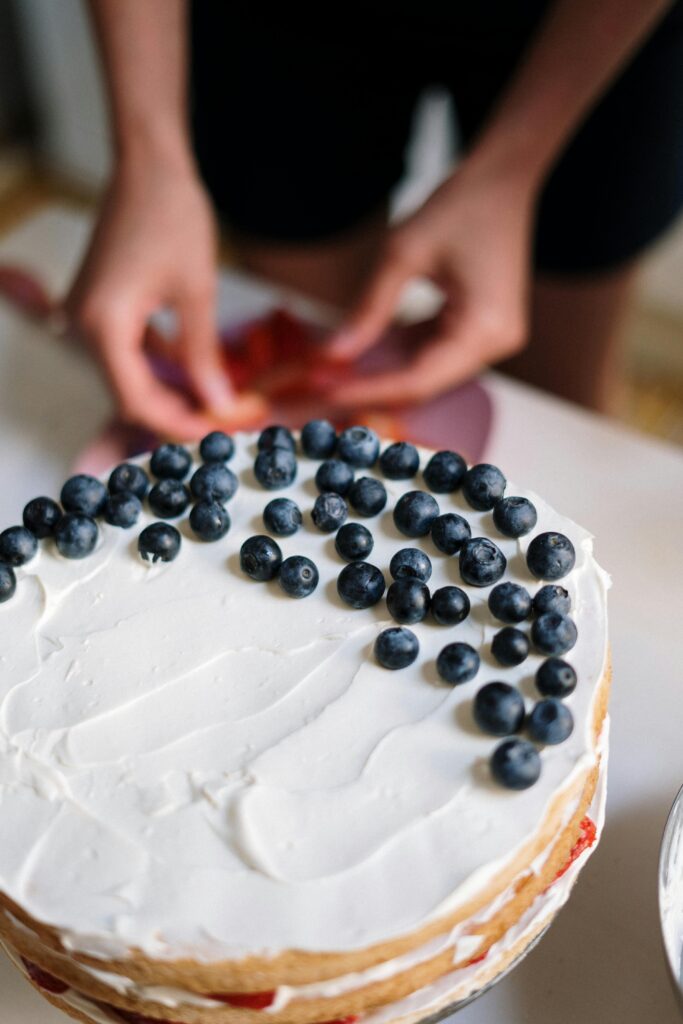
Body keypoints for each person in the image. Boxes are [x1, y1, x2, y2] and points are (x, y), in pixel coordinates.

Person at [67, 0, 682, 439]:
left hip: (596, 29)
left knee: (560, 413)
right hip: (280, 20)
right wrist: (149, 157)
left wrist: (512, 172)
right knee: (315, 362)